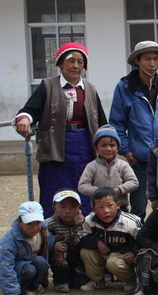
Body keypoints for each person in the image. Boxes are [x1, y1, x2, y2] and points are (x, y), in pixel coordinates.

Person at [14, 42, 107, 216]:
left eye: (80, 62)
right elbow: (31, 109)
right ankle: (53, 226)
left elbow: (101, 121)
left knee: (85, 186)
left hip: (85, 147)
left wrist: (106, 144)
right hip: (55, 147)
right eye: (71, 61)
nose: (76, 66)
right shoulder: (48, 86)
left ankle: (85, 223)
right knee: (54, 187)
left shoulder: (90, 89)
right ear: (60, 64)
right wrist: (25, 118)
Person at [109, 40, 158, 219]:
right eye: (147, 59)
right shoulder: (124, 87)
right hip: (139, 158)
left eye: (156, 59)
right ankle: (137, 236)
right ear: (137, 61)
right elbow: (117, 123)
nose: (152, 63)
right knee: (138, 208)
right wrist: (126, 150)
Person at [79, 187, 142, 293]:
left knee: (113, 262)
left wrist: (133, 252)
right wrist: (97, 242)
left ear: (118, 205)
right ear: (93, 209)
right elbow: (81, 238)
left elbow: (143, 240)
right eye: (100, 207)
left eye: (110, 206)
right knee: (86, 252)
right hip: (103, 254)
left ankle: (131, 281)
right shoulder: (89, 221)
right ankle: (97, 281)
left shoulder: (130, 222)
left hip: (123, 257)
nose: (106, 211)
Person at [0, 201, 50, 295]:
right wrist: (11, 292)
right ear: (20, 221)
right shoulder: (7, 243)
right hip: (20, 270)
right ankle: (12, 290)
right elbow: (4, 268)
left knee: (41, 261)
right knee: (29, 269)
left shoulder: (44, 231)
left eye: (37, 223)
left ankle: (31, 289)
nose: (34, 228)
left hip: (30, 265)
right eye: (29, 224)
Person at [77, 125, 139, 211]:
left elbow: (134, 182)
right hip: (99, 208)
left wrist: (119, 190)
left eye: (112, 145)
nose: (108, 149)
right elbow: (82, 186)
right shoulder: (91, 166)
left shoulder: (123, 165)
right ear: (96, 148)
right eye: (104, 145)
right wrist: (99, 192)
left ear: (118, 148)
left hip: (120, 208)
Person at [46, 189, 87, 292]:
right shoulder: (49, 224)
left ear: (79, 207)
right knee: (59, 254)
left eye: (73, 206)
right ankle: (61, 281)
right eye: (63, 207)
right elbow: (42, 239)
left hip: (78, 257)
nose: (68, 211)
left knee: (78, 283)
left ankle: (78, 276)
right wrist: (53, 244)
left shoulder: (85, 223)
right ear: (54, 208)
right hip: (61, 255)